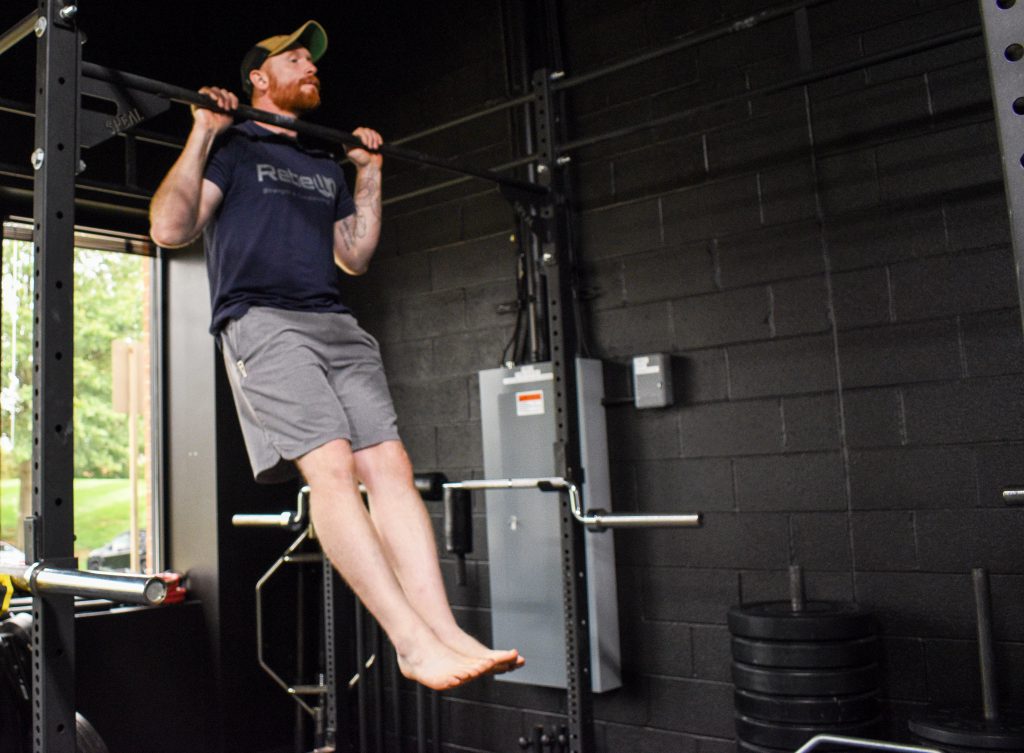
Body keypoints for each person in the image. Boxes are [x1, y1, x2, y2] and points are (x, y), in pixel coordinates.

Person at [149, 20, 522, 690]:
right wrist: (203, 131)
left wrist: (369, 175)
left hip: (333, 321)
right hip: (263, 320)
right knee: (330, 466)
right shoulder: (231, 150)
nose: (309, 67)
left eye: (311, 61)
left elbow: (352, 255)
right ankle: (409, 641)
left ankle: (443, 629)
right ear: (258, 78)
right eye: (294, 58)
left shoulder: (323, 164)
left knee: (390, 465)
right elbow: (170, 228)